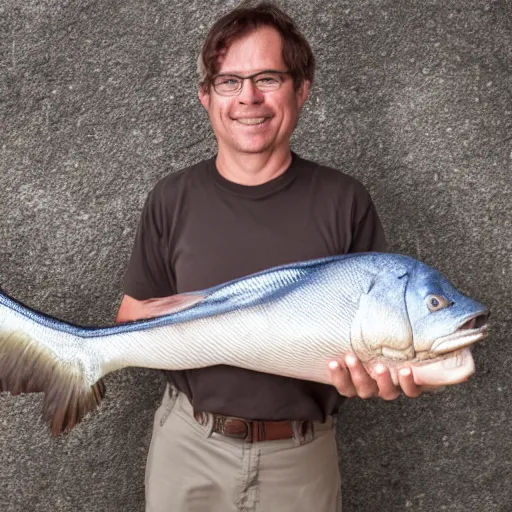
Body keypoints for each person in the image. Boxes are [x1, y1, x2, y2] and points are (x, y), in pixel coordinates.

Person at [116, 3, 423, 511]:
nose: (249, 98)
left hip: (300, 458)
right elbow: (129, 319)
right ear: (205, 96)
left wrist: (381, 373)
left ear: (302, 90)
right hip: (188, 447)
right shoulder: (171, 198)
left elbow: (377, 338)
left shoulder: (344, 200)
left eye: (267, 78)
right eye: (229, 82)